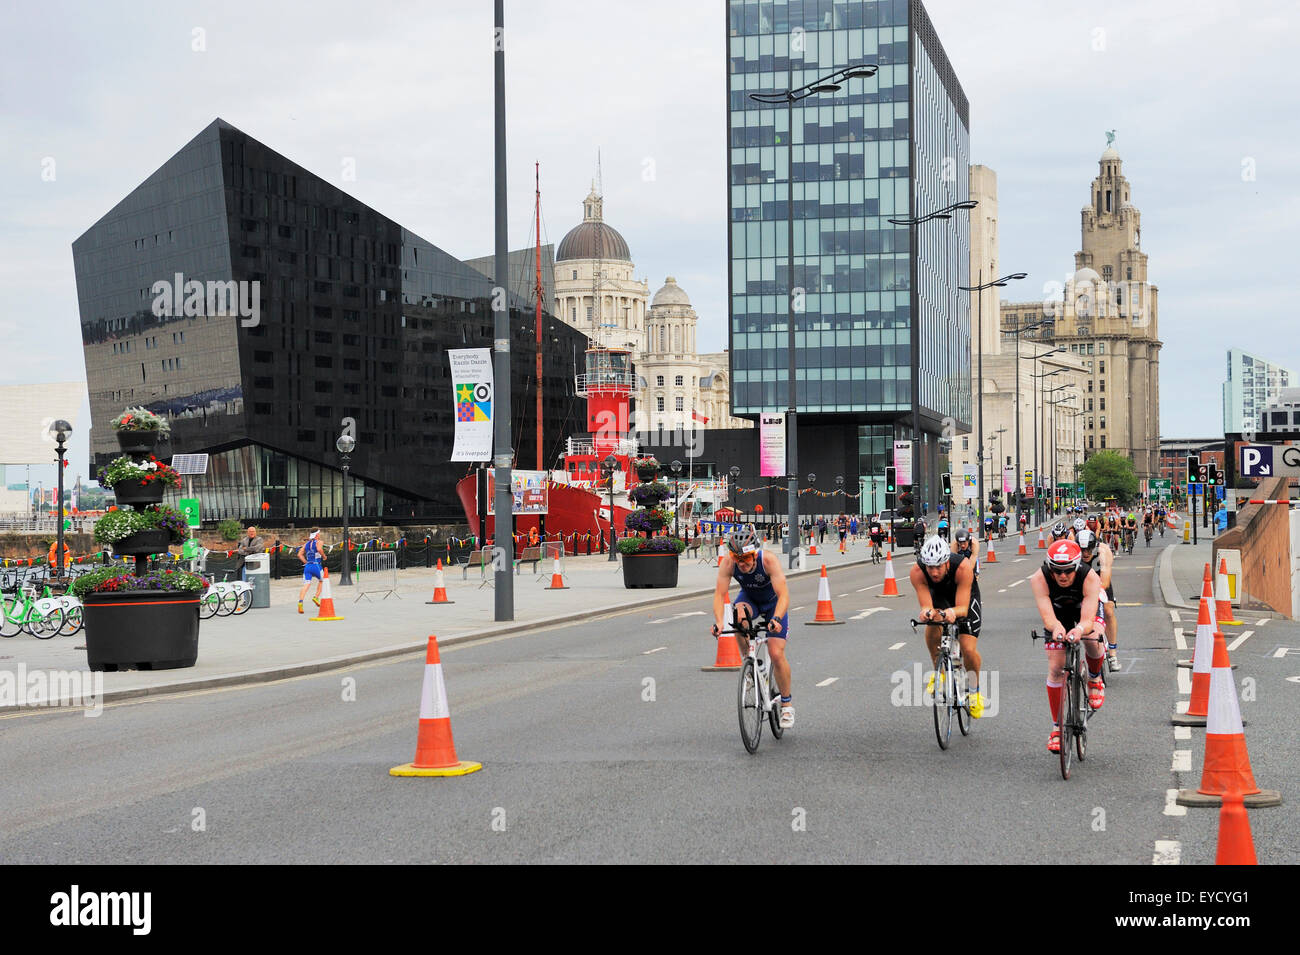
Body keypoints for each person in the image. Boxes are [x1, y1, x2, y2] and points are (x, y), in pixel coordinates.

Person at [712, 526, 794, 728]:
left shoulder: (768, 560)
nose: (742, 564)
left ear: (755, 552)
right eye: (737, 558)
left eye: (746, 558)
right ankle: (750, 664)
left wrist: (776, 618)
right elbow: (719, 594)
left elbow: (784, 595)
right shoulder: (729, 563)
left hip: (773, 603)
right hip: (750, 600)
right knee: (738, 617)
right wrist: (719, 622)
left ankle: (786, 705)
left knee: (776, 653)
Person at [1030, 539, 1106, 753]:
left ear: (1077, 566)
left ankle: (1094, 678)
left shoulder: (1089, 576)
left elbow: (1088, 619)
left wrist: (1080, 630)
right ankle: (1056, 727)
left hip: (1084, 610)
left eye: (1068, 571)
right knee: (1055, 668)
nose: (1062, 576)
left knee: (1093, 638)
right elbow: (1048, 617)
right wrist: (1057, 629)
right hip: (1058, 612)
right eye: (1057, 571)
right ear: (1049, 567)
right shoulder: (1039, 578)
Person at [910, 535, 985, 717]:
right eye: (930, 567)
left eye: (938, 567)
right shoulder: (917, 572)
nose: (934, 572)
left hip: (964, 597)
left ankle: (974, 692)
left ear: (946, 563)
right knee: (932, 623)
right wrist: (927, 612)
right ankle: (939, 671)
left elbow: (962, 607)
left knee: (967, 648)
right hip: (940, 596)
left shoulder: (962, 567)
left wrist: (953, 612)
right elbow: (927, 605)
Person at [1077, 528, 1120, 671]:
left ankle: (1112, 653)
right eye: (1082, 550)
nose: (1085, 553)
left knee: (1108, 609)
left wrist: (1092, 597)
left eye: (1088, 549)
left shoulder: (1103, 552)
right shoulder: (1073, 552)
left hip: (1099, 581)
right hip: (1080, 582)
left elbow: (1105, 581)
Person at [297, 529, 325, 614]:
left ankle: (300, 602)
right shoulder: (319, 542)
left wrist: (306, 562)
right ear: (317, 535)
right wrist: (324, 556)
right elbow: (319, 549)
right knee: (322, 581)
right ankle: (316, 597)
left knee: (306, 584)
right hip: (316, 565)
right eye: (319, 534)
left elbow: (299, 555)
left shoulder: (306, 544)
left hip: (308, 566)